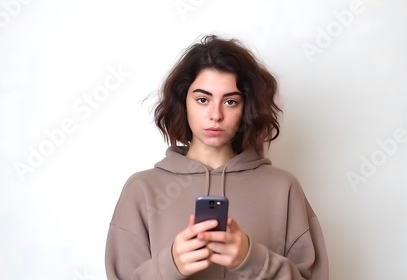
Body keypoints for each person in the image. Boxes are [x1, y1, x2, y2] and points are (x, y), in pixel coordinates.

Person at [105, 34, 329, 280]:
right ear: (183, 103)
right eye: (203, 99)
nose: (216, 115)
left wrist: (252, 260)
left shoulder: (283, 188)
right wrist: (171, 265)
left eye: (230, 101)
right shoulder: (142, 189)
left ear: (247, 108)